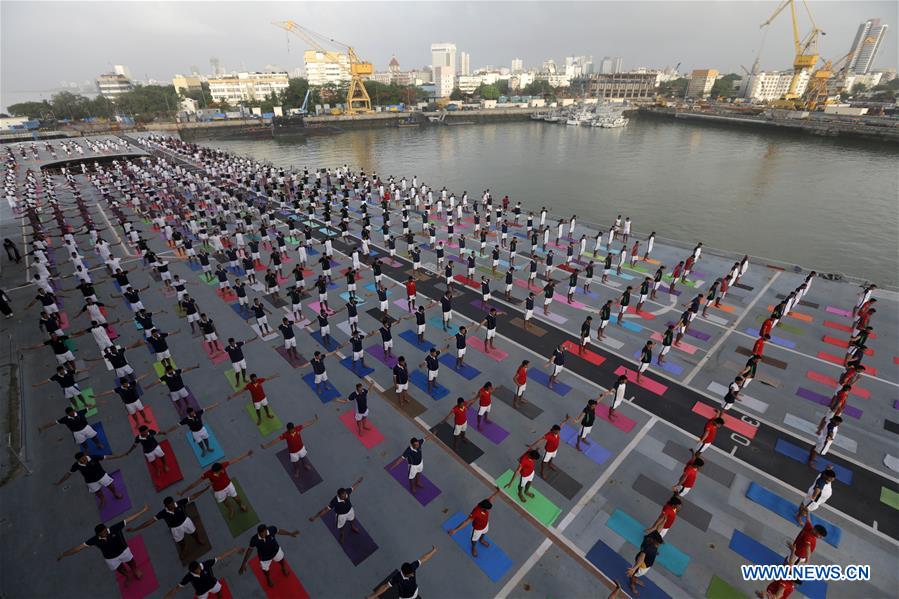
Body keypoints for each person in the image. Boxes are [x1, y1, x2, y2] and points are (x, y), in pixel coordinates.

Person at [57, 506, 150, 587]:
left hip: (123, 551)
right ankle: (128, 576)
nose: (105, 534)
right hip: (111, 558)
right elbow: (78, 548)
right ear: (98, 534)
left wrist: (144, 510)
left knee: (131, 562)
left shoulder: (114, 528)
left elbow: (129, 519)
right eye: (103, 534)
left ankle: (135, 570)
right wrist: (64, 554)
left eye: (106, 531)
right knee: (119, 569)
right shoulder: (94, 540)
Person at [127, 490, 210, 560]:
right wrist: (135, 529)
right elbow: (150, 521)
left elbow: (193, 497)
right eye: (169, 505)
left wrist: (205, 489)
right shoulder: (163, 513)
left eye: (172, 503)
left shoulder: (180, 503)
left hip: (186, 522)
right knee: (180, 541)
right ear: (165, 506)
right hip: (175, 529)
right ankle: (184, 549)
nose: (172, 506)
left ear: (174, 502)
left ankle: (198, 540)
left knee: (194, 533)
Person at [179, 451, 253, 520]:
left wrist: (246, 454)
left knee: (237, 498)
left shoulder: (222, 465)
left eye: (222, 470)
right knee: (224, 501)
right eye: (220, 471)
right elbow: (195, 483)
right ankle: (231, 509)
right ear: (215, 471)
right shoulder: (208, 474)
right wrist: (183, 491)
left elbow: (236, 460)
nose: (222, 471)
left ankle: (241, 505)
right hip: (218, 490)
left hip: (228, 485)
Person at [163, 548, 243, 599]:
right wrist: (166, 597)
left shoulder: (205, 564)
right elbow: (177, 588)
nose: (200, 568)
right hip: (201, 592)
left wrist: (235, 549)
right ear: (193, 571)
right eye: (198, 568)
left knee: (219, 593)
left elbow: (220, 557)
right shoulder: (188, 577)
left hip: (213, 584)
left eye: (199, 566)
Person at [55, 452, 125, 508]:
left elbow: (106, 457)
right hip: (90, 481)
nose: (83, 461)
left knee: (110, 486)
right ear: (77, 460)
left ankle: (115, 493)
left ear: (85, 455)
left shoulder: (93, 457)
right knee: (97, 492)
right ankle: (103, 499)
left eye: (83, 458)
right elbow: (68, 474)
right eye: (80, 460)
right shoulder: (76, 465)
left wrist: (119, 456)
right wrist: (59, 482)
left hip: (102, 475)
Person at [446, 488, 503, 556]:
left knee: (484, 532)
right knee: (474, 540)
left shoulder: (485, 503)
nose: (488, 510)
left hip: (485, 525)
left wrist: (498, 491)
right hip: (477, 529)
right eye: (487, 509)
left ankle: (481, 540)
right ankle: (473, 547)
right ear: (484, 508)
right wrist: (455, 530)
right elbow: (466, 521)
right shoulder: (476, 511)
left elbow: (492, 498)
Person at [367, 546, 438, 599]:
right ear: (404, 574)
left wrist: (433, 551)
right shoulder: (397, 577)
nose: (413, 574)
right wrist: (373, 596)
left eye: (412, 573)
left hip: (415, 591)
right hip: (405, 598)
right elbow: (385, 586)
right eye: (410, 574)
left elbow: (423, 558)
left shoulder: (412, 567)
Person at [308, 478, 364, 544]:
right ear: (338, 496)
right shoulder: (334, 501)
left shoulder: (346, 492)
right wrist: (315, 517)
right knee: (341, 527)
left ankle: (353, 527)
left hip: (350, 511)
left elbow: (353, 488)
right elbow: (325, 510)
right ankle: (342, 536)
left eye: (345, 494)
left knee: (352, 519)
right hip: (341, 516)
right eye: (343, 496)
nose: (345, 496)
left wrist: (358, 482)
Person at [38, 406, 103, 452]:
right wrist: (43, 427)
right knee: (83, 443)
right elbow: (54, 423)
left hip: (86, 428)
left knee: (94, 437)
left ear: (73, 411)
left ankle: (98, 444)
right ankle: (87, 450)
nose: (71, 414)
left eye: (72, 412)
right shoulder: (65, 419)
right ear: (67, 414)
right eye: (69, 413)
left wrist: (100, 403)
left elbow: (90, 408)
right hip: (77, 432)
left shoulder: (80, 412)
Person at [626, 531, 663, 595]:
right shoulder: (647, 547)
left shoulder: (651, 542)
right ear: (653, 541)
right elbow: (641, 557)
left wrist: (654, 552)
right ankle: (632, 584)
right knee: (634, 574)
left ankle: (635, 578)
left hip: (647, 564)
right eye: (658, 543)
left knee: (637, 574)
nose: (659, 545)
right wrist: (634, 568)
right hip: (641, 566)